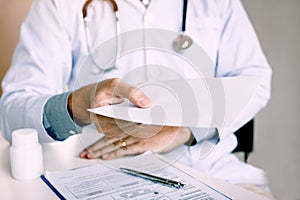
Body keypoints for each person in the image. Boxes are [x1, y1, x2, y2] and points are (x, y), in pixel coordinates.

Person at [0, 0, 273, 198]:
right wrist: (74, 107)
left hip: (208, 167)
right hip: (98, 172)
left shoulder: (219, 4)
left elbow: (255, 80)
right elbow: (12, 108)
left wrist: (185, 130)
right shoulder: (58, 5)